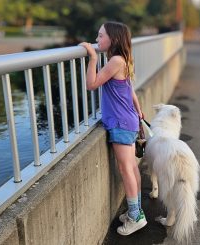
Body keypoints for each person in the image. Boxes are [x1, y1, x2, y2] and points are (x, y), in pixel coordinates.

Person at [79, 21, 146, 236]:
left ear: (113, 40)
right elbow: (130, 90)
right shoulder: (122, 59)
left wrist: (92, 58)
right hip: (128, 120)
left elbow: (91, 84)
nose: (96, 40)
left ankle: (136, 216)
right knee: (132, 168)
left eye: (100, 36)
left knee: (126, 168)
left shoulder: (115, 60)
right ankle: (137, 211)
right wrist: (138, 110)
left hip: (120, 123)